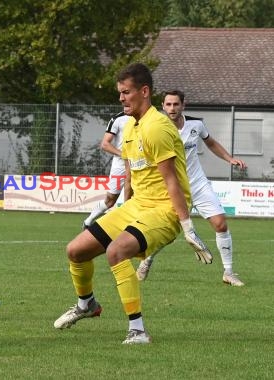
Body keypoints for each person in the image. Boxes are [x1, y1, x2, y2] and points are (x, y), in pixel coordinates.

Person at [53, 63, 212, 344]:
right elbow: (130, 175)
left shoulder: (157, 127)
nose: (121, 98)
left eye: (126, 92)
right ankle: (86, 304)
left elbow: (172, 181)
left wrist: (187, 227)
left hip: (163, 211)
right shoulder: (130, 127)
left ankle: (137, 330)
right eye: (120, 93)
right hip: (137, 206)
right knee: (76, 251)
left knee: (116, 251)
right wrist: (123, 210)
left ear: (145, 91)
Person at [136, 90, 246, 286]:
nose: (172, 108)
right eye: (168, 104)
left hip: (198, 184)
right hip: (173, 188)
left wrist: (229, 158)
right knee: (168, 233)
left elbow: (211, 142)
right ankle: (147, 259)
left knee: (221, 223)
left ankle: (229, 272)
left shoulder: (196, 125)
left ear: (183, 106)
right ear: (163, 106)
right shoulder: (156, 129)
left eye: (176, 104)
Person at [82, 111, 130, 229]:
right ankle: (89, 221)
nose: (125, 101)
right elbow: (105, 144)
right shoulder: (118, 119)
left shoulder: (148, 116)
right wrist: (123, 154)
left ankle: (125, 228)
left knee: (131, 199)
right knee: (110, 200)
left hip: (140, 164)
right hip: (120, 165)